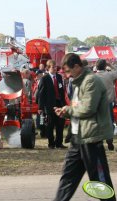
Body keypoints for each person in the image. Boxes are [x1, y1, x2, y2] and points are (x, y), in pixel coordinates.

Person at [53, 53, 116, 201]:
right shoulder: (78, 82)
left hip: (91, 140)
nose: (67, 76)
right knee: (67, 180)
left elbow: (88, 109)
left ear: (77, 66)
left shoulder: (91, 81)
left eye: (68, 71)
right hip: (78, 139)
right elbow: (78, 108)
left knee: (101, 183)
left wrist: (68, 110)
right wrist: (65, 112)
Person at [37, 59, 67, 149]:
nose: (55, 69)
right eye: (53, 67)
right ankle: (51, 143)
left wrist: (64, 103)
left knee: (60, 124)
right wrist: (40, 107)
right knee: (50, 125)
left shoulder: (59, 77)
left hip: (59, 103)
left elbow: (62, 91)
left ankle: (59, 143)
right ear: (48, 68)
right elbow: (41, 94)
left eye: (55, 67)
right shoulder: (44, 78)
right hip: (49, 105)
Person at [95, 59, 117, 151]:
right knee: (109, 122)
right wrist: (110, 65)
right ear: (105, 66)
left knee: (98, 122)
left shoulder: (93, 76)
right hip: (108, 102)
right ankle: (109, 140)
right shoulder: (109, 75)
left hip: (97, 103)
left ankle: (99, 142)